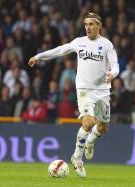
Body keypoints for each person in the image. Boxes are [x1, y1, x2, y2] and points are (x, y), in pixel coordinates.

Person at [28, 12, 119, 177]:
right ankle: (77, 158)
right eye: (86, 24)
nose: (88, 28)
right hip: (84, 89)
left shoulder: (107, 45)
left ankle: (90, 141)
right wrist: (38, 56)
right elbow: (60, 50)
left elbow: (116, 66)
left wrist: (113, 74)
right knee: (88, 122)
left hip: (103, 91)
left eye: (91, 24)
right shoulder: (79, 43)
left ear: (99, 26)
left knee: (103, 128)